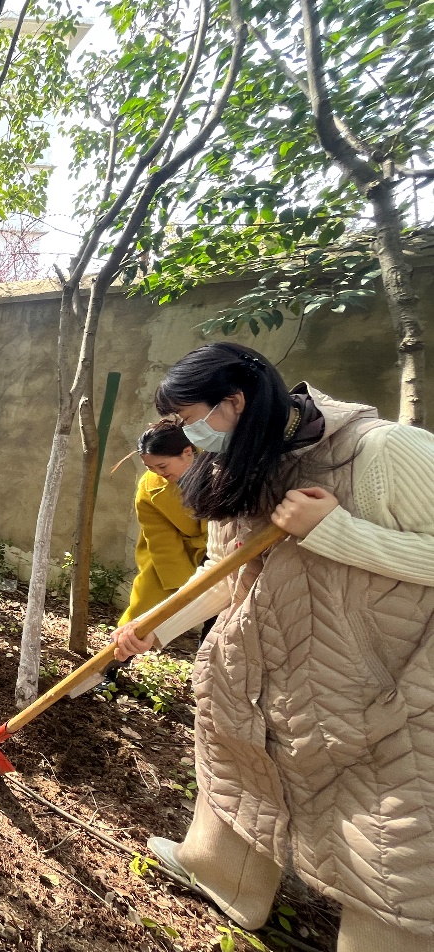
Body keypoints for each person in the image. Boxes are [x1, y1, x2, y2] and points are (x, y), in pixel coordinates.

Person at [111, 342, 434, 951]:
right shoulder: (238, 460)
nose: (188, 436)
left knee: (390, 840)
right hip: (268, 669)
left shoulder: (382, 451)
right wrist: (158, 626)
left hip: (381, 682)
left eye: (192, 419)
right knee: (240, 767)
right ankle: (220, 875)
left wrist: (339, 533)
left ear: (234, 401)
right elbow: (224, 575)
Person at [118, 421, 207, 627]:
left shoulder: (219, 468)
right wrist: (186, 587)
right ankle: (119, 653)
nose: (157, 472)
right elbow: (160, 539)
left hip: (224, 548)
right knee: (144, 606)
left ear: (187, 452)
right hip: (175, 551)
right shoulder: (149, 488)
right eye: (149, 467)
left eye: (162, 466)